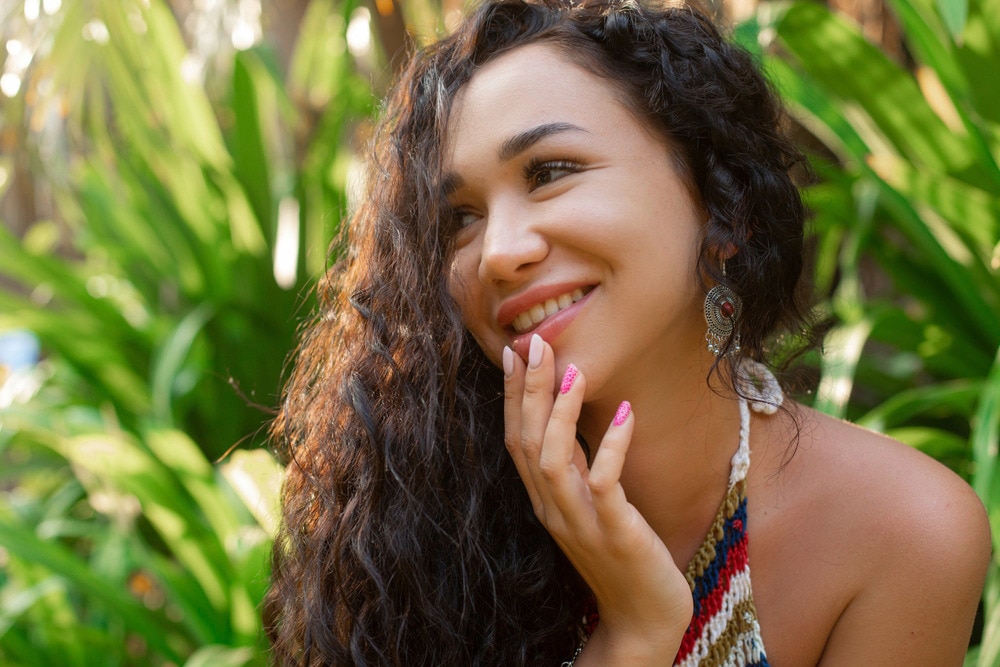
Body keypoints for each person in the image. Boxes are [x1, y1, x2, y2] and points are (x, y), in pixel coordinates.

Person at [263, 1, 991, 664]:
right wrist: (634, 632)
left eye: (550, 171)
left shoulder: (902, 532)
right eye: (459, 218)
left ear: (721, 208)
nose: (497, 252)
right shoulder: (424, 533)